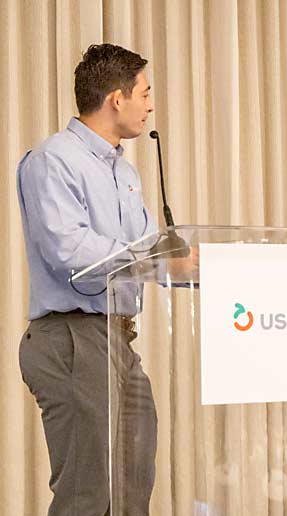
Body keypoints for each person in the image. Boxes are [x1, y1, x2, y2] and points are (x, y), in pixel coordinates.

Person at [17, 43, 158, 516]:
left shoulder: (125, 171)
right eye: (145, 92)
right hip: (73, 338)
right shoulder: (53, 160)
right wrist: (156, 257)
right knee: (87, 498)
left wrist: (200, 266)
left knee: (132, 494)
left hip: (119, 340)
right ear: (116, 98)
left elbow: (146, 251)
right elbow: (69, 251)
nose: (150, 105)